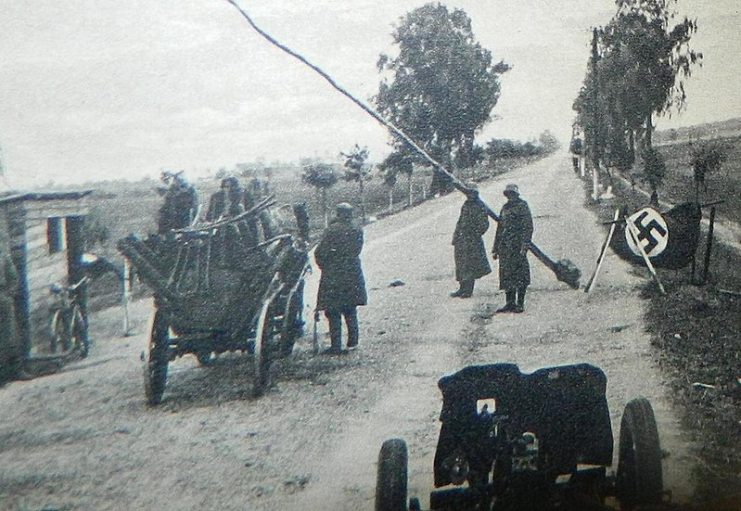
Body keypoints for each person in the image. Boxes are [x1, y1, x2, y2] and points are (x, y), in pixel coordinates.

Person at [315, 203, 367, 354]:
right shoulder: (357, 229)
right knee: (350, 308)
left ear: (338, 214)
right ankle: (353, 342)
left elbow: (320, 252)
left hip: (334, 273)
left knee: (333, 310)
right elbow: (357, 249)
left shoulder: (331, 230)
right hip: (353, 273)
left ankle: (336, 346)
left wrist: (324, 266)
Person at [492, 184, 533, 313]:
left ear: (516, 194)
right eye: (508, 194)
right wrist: (495, 248)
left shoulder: (523, 206)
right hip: (505, 247)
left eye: (512, 194)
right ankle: (509, 303)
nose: (510, 196)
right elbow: (500, 228)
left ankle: (520, 303)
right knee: (506, 275)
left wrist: (525, 245)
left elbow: (528, 226)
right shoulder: (504, 208)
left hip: (517, 245)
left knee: (520, 275)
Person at [451, 186, 491, 298]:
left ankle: (468, 290)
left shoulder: (480, 205)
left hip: (473, 240)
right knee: (461, 264)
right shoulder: (466, 204)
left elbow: (484, 223)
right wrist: (456, 235)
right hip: (461, 239)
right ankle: (462, 287)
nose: (469, 195)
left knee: (470, 265)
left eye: (471, 193)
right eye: (468, 192)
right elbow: (460, 221)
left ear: (476, 193)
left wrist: (475, 233)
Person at [0, 245, 28, 382]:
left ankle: (16, 371)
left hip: (3, 297)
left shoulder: (3, 256)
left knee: (10, 336)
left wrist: (8, 294)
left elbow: (13, 277)